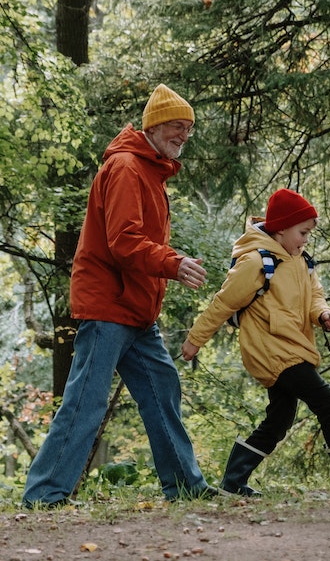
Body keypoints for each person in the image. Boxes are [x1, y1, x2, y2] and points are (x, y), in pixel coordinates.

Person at [22, 84, 217, 507]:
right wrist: (172, 263)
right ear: (154, 125)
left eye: (189, 129)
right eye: (177, 126)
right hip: (109, 306)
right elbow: (124, 242)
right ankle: (44, 494)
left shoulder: (150, 169)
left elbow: (137, 241)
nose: (184, 135)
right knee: (85, 401)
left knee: (162, 390)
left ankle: (185, 484)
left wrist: (169, 261)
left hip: (136, 312)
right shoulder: (128, 167)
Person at [181, 187, 330, 496]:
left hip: (294, 349)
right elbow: (222, 304)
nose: (306, 239)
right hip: (274, 353)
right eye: (302, 232)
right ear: (281, 228)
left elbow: (315, 298)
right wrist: (195, 340)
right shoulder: (255, 263)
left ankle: (233, 482)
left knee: (279, 420)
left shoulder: (300, 260)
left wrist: (324, 315)